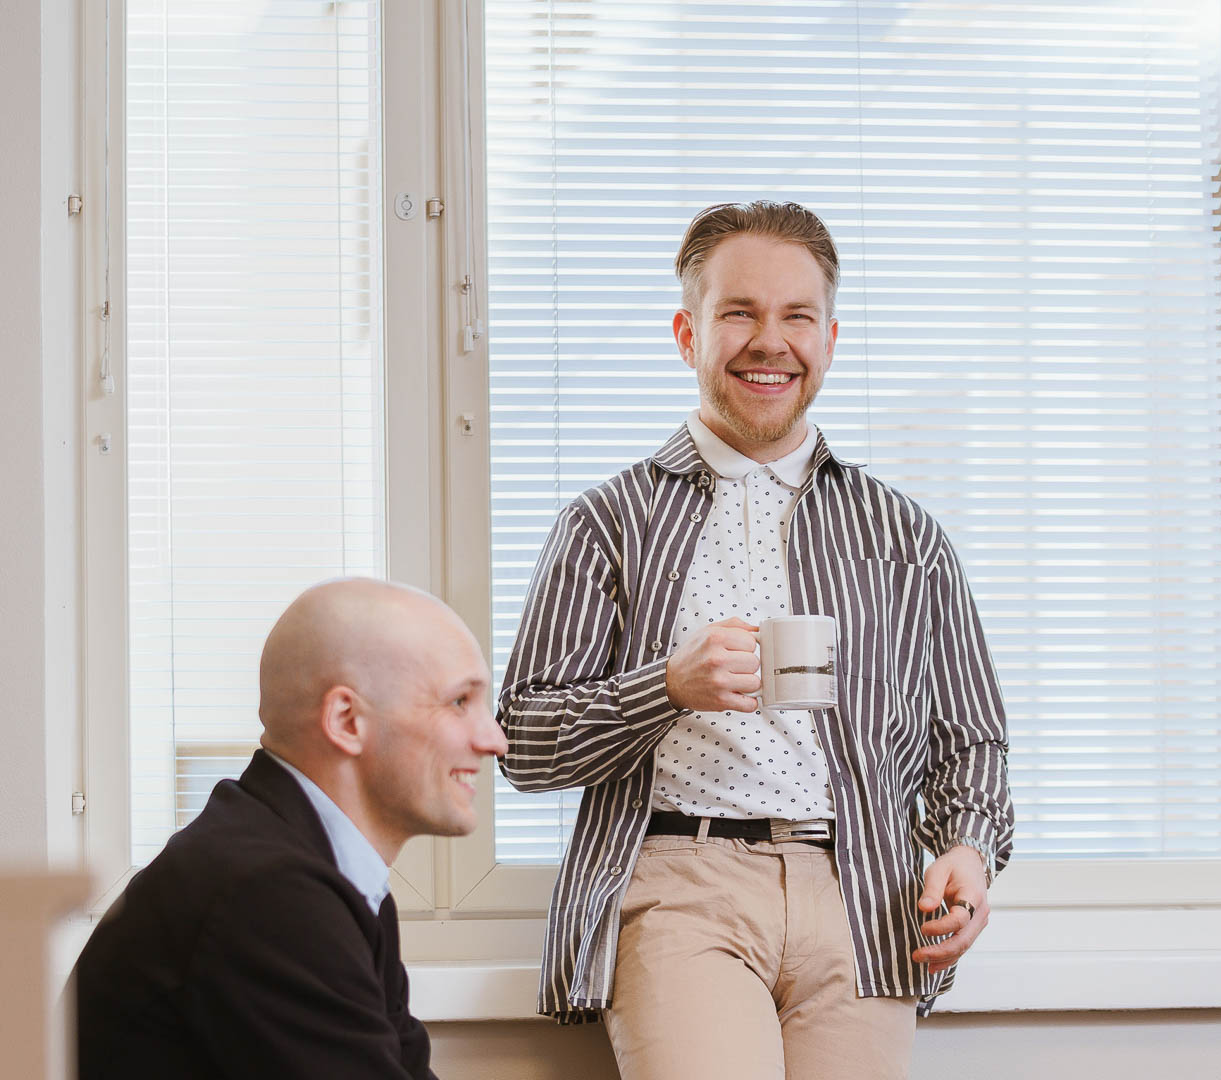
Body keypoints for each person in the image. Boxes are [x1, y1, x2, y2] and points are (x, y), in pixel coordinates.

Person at [497, 200, 1015, 1079]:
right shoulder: (606, 523)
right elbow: (525, 745)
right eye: (738, 313)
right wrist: (666, 686)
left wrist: (966, 850)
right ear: (686, 332)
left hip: (863, 897)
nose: (768, 341)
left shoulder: (904, 535)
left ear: (830, 338)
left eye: (796, 317)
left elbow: (971, 738)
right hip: (681, 885)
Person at [75, 578, 507, 1079]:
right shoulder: (265, 892)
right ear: (346, 720)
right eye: (459, 702)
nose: (495, 739)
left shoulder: (328, 876)